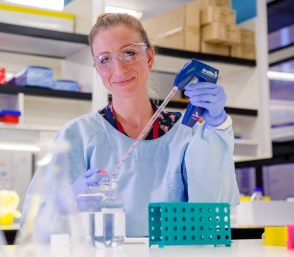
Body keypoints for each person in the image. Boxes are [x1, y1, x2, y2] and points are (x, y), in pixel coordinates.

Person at [21, 13, 240, 237]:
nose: (119, 69)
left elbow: (214, 209)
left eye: (129, 53)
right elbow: (35, 226)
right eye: (105, 59)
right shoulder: (77, 135)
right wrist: (69, 200)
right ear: (97, 69)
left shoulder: (185, 132)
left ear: (150, 57)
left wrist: (218, 124)